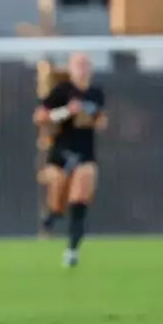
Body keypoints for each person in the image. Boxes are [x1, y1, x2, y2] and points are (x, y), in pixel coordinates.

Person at [34, 52, 106, 268]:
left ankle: (72, 250)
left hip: (84, 153)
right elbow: (40, 116)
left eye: (86, 64)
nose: (83, 68)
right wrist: (66, 111)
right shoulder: (62, 91)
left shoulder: (95, 93)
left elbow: (100, 120)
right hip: (61, 153)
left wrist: (96, 119)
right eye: (78, 64)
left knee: (80, 197)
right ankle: (51, 217)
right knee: (57, 193)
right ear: (71, 68)